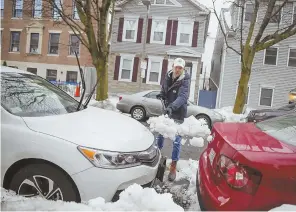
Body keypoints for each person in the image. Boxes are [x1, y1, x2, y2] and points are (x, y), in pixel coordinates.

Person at [156, 57, 190, 181]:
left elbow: (183, 96)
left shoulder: (185, 79)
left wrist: (172, 106)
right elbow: (164, 89)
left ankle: (173, 166)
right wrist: (162, 94)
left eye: (180, 68)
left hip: (178, 112)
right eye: (176, 67)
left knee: (176, 140)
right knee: (160, 134)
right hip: (167, 109)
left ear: (183, 69)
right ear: (173, 66)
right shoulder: (168, 76)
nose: (178, 69)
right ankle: (157, 157)